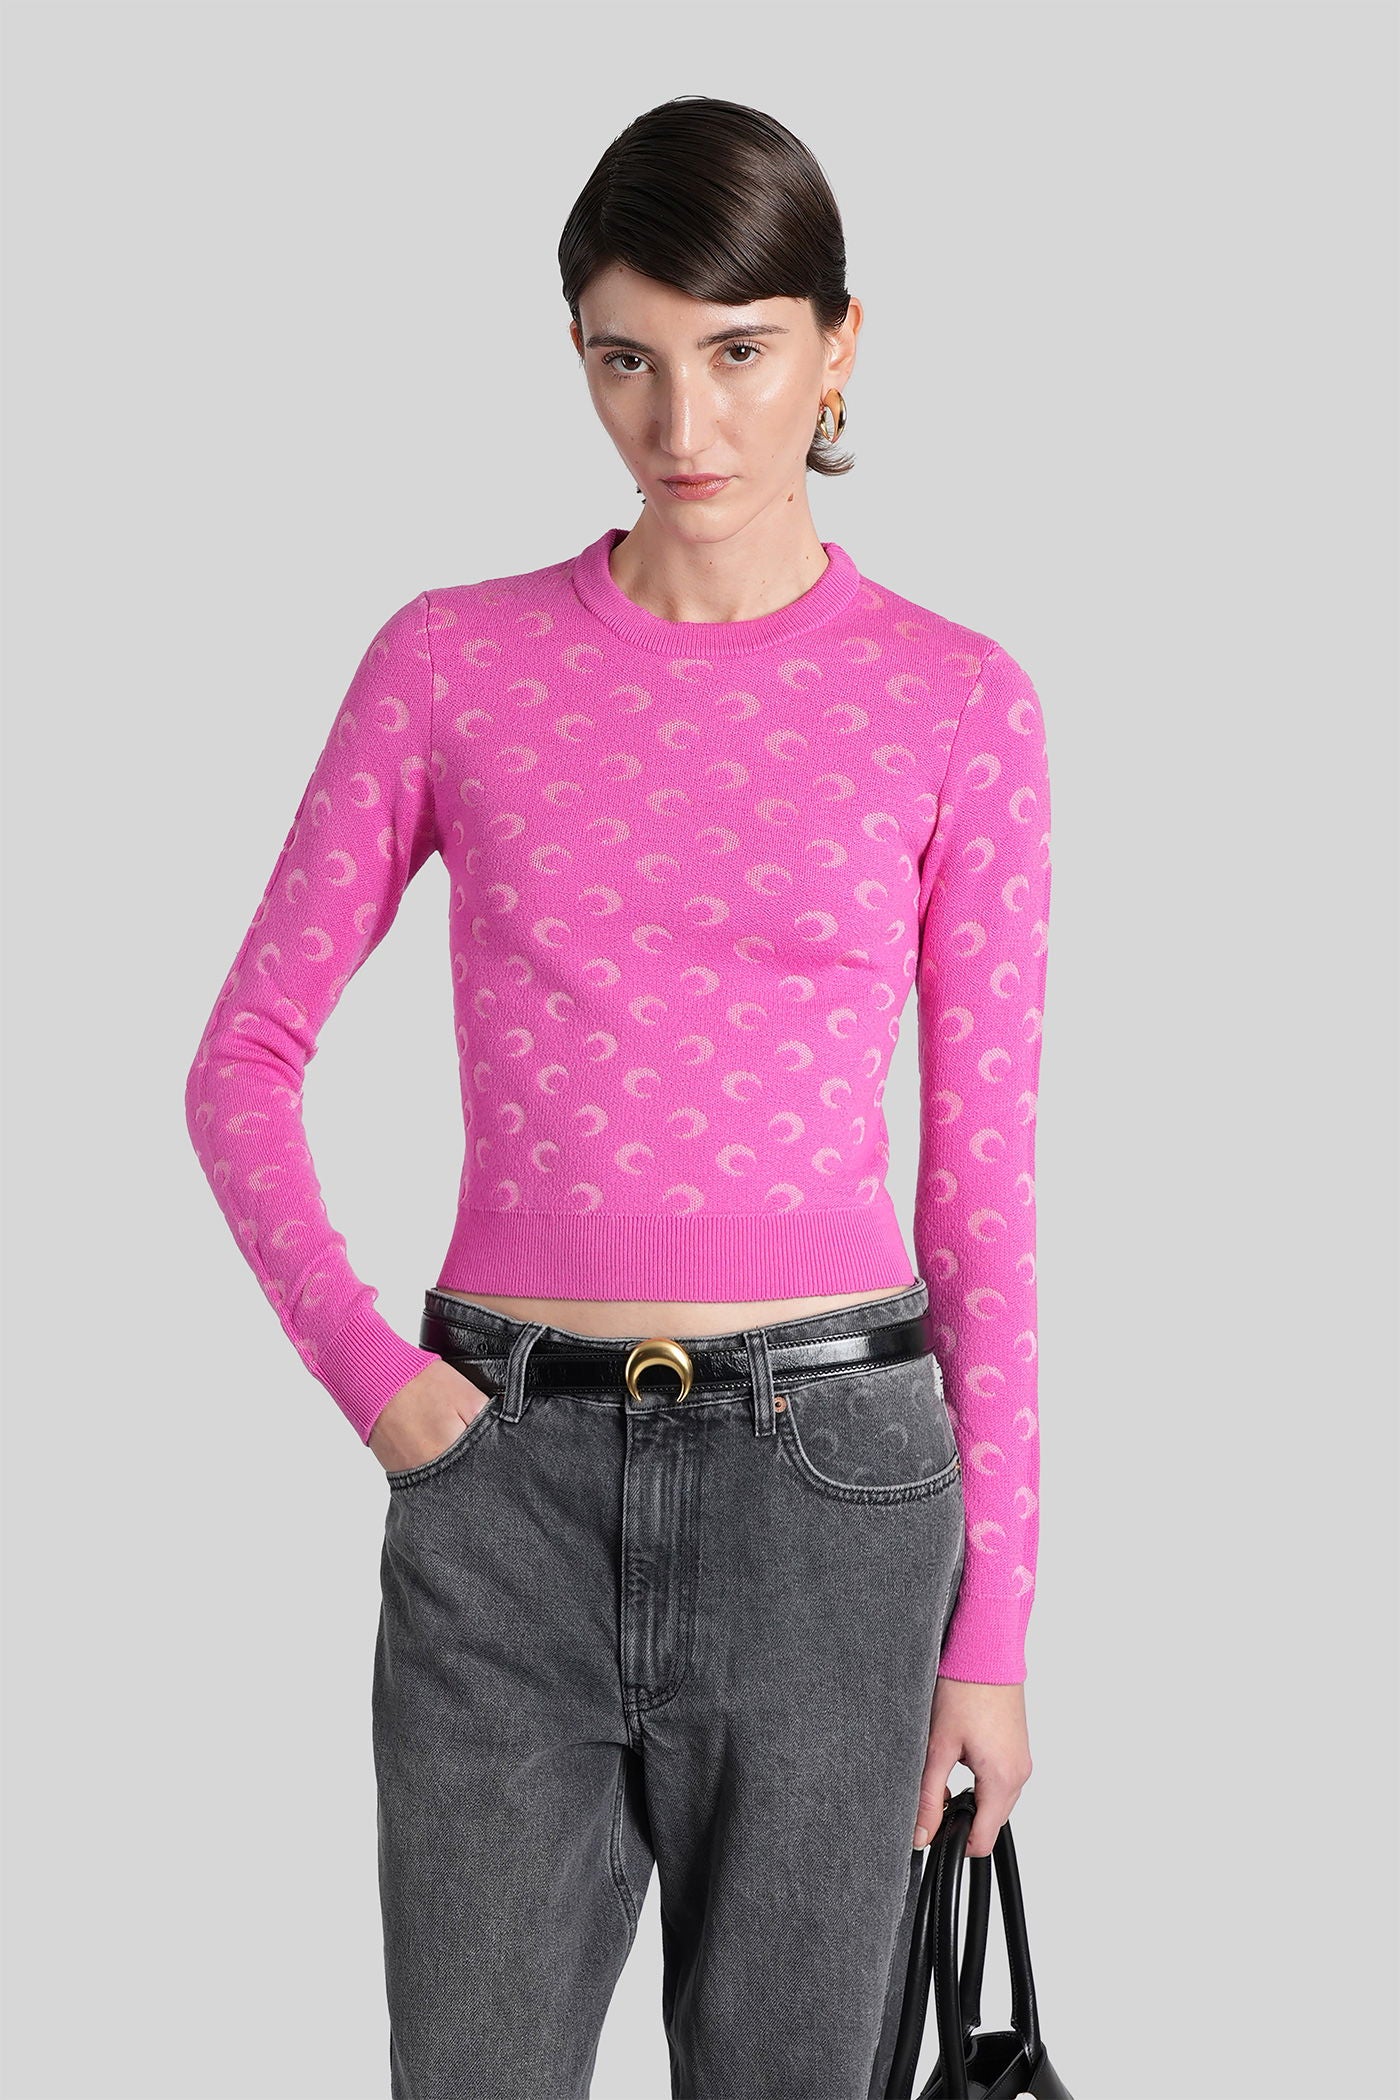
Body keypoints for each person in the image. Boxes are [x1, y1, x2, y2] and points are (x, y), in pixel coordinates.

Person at [185, 94, 1052, 2100]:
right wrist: (382, 1389)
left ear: (838, 345)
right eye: (625, 356)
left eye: (739, 350)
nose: (685, 420)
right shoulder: (448, 662)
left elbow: (985, 1196)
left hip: (836, 1496)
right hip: (501, 1487)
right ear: (575, 350)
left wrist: (993, 1626)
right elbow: (241, 1061)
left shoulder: (955, 699)